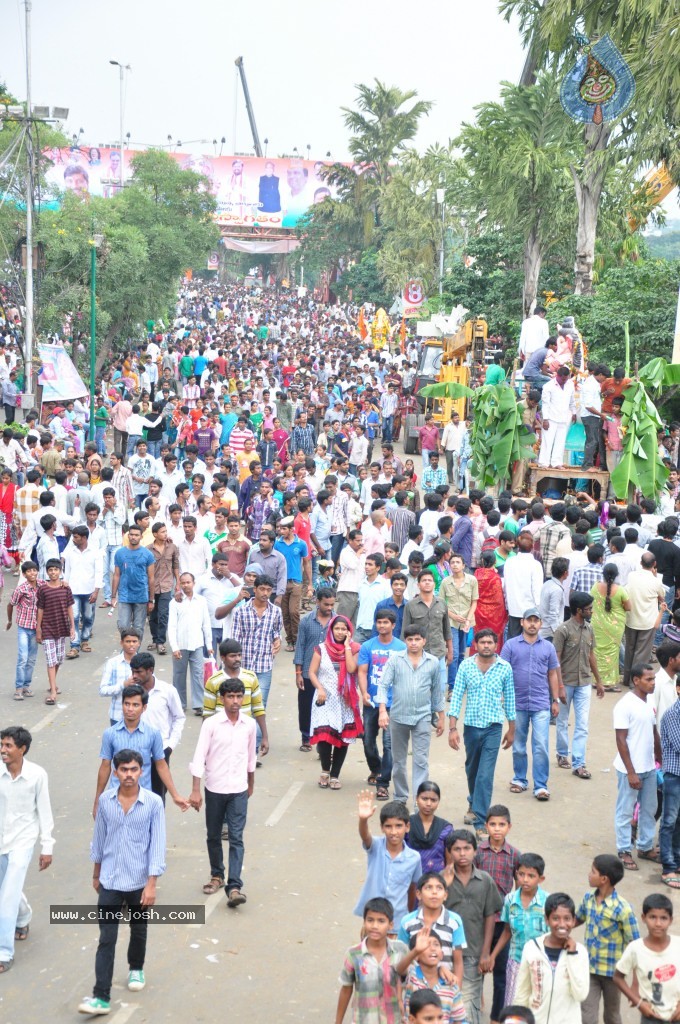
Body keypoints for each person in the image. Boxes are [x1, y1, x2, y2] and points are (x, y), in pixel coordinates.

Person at [78, 749, 165, 1015]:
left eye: (133, 769)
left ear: (141, 771)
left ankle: (136, 968)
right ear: (116, 772)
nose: (129, 775)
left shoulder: (153, 803)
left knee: (138, 930)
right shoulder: (105, 801)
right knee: (107, 938)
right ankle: (101, 996)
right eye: (124, 770)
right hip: (110, 880)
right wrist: (96, 874)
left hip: (139, 880)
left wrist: (151, 884)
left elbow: (157, 845)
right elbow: (99, 840)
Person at [189, 678, 256, 908]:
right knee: (214, 835)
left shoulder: (249, 725)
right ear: (222, 698)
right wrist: (195, 789)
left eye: (239, 697)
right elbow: (199, 756)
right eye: (231, 697)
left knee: (237, 837)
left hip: (238, 789)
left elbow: (250, 757)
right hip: (214, 788)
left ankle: (234, 886)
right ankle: (217, 875)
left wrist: (251, 782)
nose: (235, 701)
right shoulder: (211, 724)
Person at [448, 629, 516, 840]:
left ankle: (480, 821)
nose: (486, 645)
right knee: (472, 770)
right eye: (482, 642)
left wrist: (511, 729)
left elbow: (510, 699)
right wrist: (452, 728)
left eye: (490, 642)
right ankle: (473, 801)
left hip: (493, 728)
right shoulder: (466, 666)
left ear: (496, 645)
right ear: (476, 645)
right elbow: (457, 696)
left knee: (485, 775)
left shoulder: (504, 668)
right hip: (471, 728)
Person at [0, 726, 54, 974]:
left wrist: (47, 846)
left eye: (8, 746)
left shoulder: (36, 775)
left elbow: (44, 811)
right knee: (7, 889)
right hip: (1, 841)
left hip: (23, 841)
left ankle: (4, 952)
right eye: (2, 745)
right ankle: (23, 918)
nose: (3, 750)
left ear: (22, 749)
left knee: (7, 896)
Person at [377, 626, 445, 806]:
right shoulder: (395, 660)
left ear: (424, 640)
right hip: (398, 717)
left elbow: (437, 691)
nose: (413, 643)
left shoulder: (433, 662)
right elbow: (383, 685)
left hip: (422, 717)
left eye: (417, 639)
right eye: (410, 640)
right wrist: (383, 710)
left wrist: (441, 717)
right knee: (398, 761)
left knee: (421, 761)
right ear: (405, 641)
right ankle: (400, 797)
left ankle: (419, 801)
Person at [442, 829, 503, 1024]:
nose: (462, 853)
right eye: (456, 849)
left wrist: (486, 952)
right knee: (443, 1005)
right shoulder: (440, 880)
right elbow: (430, 909)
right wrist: (444, 884)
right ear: (449, 852)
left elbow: (489, 916)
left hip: (474, 953)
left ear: (475, 851)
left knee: (468, 1007)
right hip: (444, 953)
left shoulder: (485, 880)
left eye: (467, 848)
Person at [501, 609, 560, 801]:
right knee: (518, 745)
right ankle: (519, 779)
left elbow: (553, 673)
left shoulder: (548, 648)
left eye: (536, 620)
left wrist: (555, 700)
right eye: (529, 620)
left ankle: (541, 786)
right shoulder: (510, 646)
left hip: (541, 703)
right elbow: (502, 672)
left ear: (540, 623)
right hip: (516, 703)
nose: (533, 624)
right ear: (522, 623)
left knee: (541, 745)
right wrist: (501, 697)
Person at [575, 854, 640, 1024]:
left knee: (612, 1015)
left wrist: (635, 983)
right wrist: (559, 929)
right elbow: (579, 918)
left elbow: (636, 946)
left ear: (603, 879)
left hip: (614, 974)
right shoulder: (588, 898)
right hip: (589, 970)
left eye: (593, 871)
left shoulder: (623, 909)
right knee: (587, 1016)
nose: (589, 874)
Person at [612, 662, 660, 871]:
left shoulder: (648, 701)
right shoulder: (625, 705)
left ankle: (645, 846)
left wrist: (660, 758)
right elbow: (621, 741)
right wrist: (631, 772)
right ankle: (623, 849)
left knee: (650, 809)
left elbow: (653, 731)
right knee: (625, 810)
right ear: (636, 680)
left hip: (649, 767)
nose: (653, 683)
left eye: (653, 679)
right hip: (629, 769)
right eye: (649, 679)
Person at [474, 805, 521, 1019]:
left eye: (502, 825)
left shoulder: (515, 855)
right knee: (477, 968)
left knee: (501, 972)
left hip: (503, 921)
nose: (497, 829)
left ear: (509, 827)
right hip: (480, 920)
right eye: (493, 824)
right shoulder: (477, 853)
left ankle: (496, 1017)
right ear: (486, 826)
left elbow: (519, 889)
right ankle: (475, 1007)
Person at [514, 892, 590, 1024]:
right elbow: (522, 992)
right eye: (555, 918)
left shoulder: (580, 952)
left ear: (573, 921)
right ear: (546, 919)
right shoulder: (531, 948)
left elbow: (581, 994)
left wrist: (572, 955)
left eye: (567, 919)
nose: (562, 924)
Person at [354, 791, 421, 930]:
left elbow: (412, 889)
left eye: (398, 826)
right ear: (382, 828)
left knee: (396, 952)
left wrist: (407, 914)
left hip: (397, 922)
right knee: (369, 952)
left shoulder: (414, 858)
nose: (393, 832)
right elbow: (365, 836)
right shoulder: (376, 847)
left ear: (407, 827)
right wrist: (363, 820)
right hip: (372, 921)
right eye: (388, 826)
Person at [308, 614, 362, 788]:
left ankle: (335, 775)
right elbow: (312, 672)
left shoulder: (354, 648)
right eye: (337, 628)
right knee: (324, 736)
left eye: (343, 629)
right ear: (331, 629)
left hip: (345, 700)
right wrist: (320, 688)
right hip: (324, 698)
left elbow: (352, 668)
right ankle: (325, 770)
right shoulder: (321, 649)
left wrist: (346, 647)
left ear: (348, 631)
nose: (339, 632)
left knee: (342, 737)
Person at [357, 610, 406, 801]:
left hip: (394, 703)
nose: (382, 626)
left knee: (389, 744)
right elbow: (362, 671)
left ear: (393, 625)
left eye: (386, 622)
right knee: (368, 740)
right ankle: (376, 768)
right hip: (371, 702)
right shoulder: (368, 646)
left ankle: (383, 783)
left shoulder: (401, 647)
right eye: (379, 622)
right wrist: (364, 692)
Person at [554, 592, 603, 780]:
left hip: (584, 682)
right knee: (562, 721)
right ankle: (561, 753)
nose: (591, 611)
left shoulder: (590, 629)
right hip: (565, 682)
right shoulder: (563, 630)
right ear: (578, 610)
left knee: (582, 724)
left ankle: (579, 763)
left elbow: (591, 655)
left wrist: (598, 680)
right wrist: (558, 685)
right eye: (589, 608)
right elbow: (555, 660)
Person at [336, 897, 408, 1024]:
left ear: (391, 925)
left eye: (381, 921)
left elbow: (410, 980)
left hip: (393, 1020)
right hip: (363, 1020)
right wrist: (338, 1022)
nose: (375, 926)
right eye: (370, 920)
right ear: (364, 922)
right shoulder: (354, 954)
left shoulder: (400, 950)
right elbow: (346, 989)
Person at [614, 893, 680, 1019]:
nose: (658, 923)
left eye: (663, 918)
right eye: (652, 917)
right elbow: (618, 977)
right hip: (650, 1016)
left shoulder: (678, 945)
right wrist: (638, 1003)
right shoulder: (635, 949)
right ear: (643, 918)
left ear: (671, 920)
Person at [231, 573, 282, 712]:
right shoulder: (240, 611)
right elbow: (235, 640)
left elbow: (276, 632)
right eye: (262, 589)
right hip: (243, 666)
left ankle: (258, 734)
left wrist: (278, 640)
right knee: (240, 705)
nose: (265, 593)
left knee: (260, 706)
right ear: (255, 589)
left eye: (268, 590)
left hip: (264, 666)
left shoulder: (276, 612)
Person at [167, 572, 213, 715]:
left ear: (194, 583)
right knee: (179, 675)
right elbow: (172, 626)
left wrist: (209, 645)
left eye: (188, 582)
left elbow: (206, 624)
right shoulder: (175, 602)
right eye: (183, 583)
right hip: (180, 645)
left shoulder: (201, 601)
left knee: (198, 674)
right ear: (179, 584)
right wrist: (174, 647)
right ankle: (180, 704)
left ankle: (199, 704)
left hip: (197, 644)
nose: (186, 585)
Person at [400, 930, 467, 1024]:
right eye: (426, 945)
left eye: (436, 944)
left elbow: (458, 1019)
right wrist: (415, 951)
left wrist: (442, 968)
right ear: (416, 955)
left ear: (442, 954)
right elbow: (399, 969)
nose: (432, 948)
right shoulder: (412, 974)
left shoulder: (451, 983)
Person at [623, 553, 666, 686]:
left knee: (629, 650)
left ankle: (627, 679)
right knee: (641, 654)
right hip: (647, 622)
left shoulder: (632, 576)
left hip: (631, 619)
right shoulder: (656, 581)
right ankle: (634, 682)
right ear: (654, 565)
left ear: (641, 563)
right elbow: (662, 596)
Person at [36, 558, 75, 704]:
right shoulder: (43, 589)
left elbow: (70, 607)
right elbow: (40, 609)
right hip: (47, 628)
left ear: (60, 571)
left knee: (58, 659)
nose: (53, 572)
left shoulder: (66, 588)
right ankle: (53, 691)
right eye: (50, 570)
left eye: (56, 570)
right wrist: (38, 628)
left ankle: (52, 683)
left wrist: (72, 626)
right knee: (51, 661)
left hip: (62, 627)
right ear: (47, 572)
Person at [62, 524, 104, 658]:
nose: (73, 539)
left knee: (88, 617)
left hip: (89, 590)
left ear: (84, 538)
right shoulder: (70, 552)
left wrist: (96, 591)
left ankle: (84, 640)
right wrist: (65, 588)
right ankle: (74, 645)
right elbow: (66, 571)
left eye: (76, 537)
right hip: (73, 590)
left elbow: (99, 572)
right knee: (73, 618)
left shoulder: (95, 552)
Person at [440, 554, 478, 694]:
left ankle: (461, 684)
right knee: (453, 653)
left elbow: (474, 601)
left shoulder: (472, 580)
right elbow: (442, 603)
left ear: (463, 565)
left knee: (463, 654)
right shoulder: (445, 582)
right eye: (452, 562)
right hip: (451, 622)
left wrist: (468, 619)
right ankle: (452, 687)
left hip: (467, 622)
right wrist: (453, 615)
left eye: (458, 562)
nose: (455, 564)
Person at [590, 563, 631, 693]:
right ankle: (608, 684)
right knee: (612, 653)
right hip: (614, 627)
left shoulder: (595, 587)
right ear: (616, 575)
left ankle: (597, 681)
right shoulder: (620, 590)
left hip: (597, 624)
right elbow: (628, 607)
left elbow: (592, 601)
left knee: (597, 651)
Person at [111, 523, 155, 640]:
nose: (133, 537)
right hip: (125, 595)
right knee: (123, 626)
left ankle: (134, 655)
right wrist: (113, 596)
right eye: (131, 535)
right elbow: (116, 575)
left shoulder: (148, 554)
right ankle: (126, 653)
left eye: (136, 535)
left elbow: (151, 578)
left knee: (138, 628)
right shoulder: (120, 553)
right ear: (128, 536)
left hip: (141, 595)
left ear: (141, 537)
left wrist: (151, 599)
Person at [7, 560, 43, 700]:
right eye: (29, 571)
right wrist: (9, 620)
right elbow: (11, 604)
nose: (32, 573)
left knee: (32, 659)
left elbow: (55, 587)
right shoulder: (21, 589)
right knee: (23, 657)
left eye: (34, 570)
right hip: (23, 627)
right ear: (24, 574)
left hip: (36, 628)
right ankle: (18, 688)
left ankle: (27, 686)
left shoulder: (42, 585)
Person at [404, 782, 454, 874]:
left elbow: (449, 863)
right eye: (424, 799)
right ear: (416, 799)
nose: (428, 804)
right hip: (409, 879)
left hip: (436, 882)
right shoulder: (405, 824)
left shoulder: (446, 828)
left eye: (433, 800)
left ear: (438, 801)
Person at [275, 515, 308, 650]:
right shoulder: (277, 544)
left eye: (284, 529)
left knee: (293, 612)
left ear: (291, 529)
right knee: (285, 613)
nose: (281, 531)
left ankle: (297, 639)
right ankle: (290, 641)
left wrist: (309, 583)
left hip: (295, 582)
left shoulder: (301, 544)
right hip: (281, 582)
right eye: (280, 528)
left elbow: (307, 563)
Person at [659, 674, 680, 887]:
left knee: (678, 821)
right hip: (674, 775)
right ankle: (668, 867)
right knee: (669, 821)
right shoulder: (673, 715)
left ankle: (677, 860)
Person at [503, 533, 544, 639]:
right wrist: (539, 610)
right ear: (533, 546)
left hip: (514, 608)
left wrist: (507, 605)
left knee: (513, 641)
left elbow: (505, 586)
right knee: (529, 641)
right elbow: (537, 591)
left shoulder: (509, 562)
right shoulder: (535, 565)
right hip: (530, 611)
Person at [538, 366, 576, 468]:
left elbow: (572, 400)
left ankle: (556, 463)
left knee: (560, 441)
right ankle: (544, 463)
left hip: (564, 417)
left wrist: (574, 412)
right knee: (547, 441)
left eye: (566, 379)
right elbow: (545, 404)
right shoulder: (548, 386)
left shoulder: (570, 384)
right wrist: (545, 419)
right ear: (558, 376)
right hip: (550, 418)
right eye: (563, 379)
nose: (564, 381)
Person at [473, 552, 507, 643]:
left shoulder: (476, 575)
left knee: (479, 637)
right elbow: (499, 599)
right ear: (495, 562)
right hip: (495, 615)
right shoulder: (496, 578)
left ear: (482, 561)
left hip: (478, 612)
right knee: (493, 637)